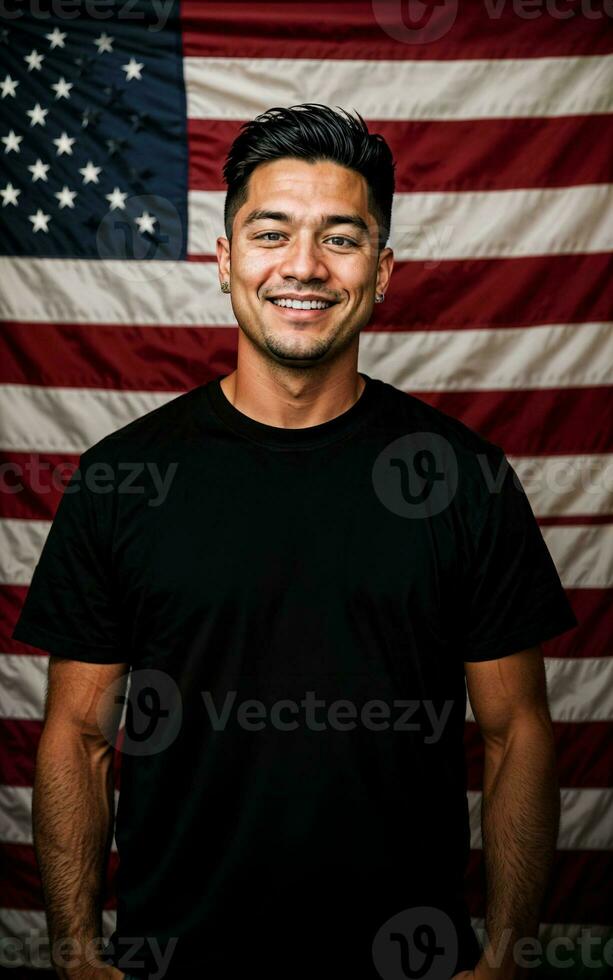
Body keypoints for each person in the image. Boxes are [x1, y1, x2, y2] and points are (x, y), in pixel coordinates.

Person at [12, 104, 578, 980]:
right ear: (226, 259)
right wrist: (78, 956)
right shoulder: (122, 478)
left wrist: (503, 957)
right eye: (270, 233)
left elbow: (517, 733)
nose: (303, 267)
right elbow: (79, 732)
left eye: (340, 239)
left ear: (382, 271)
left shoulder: (464, 478)